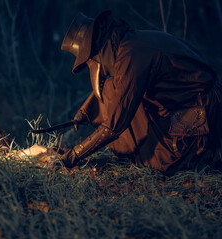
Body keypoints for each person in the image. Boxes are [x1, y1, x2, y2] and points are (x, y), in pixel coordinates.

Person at [57, 10, 222, 174]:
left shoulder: (132, 54)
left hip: (201, 110)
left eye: (90, 59)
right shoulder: (127, 44)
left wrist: (73, 155)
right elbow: (115, 86)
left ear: (97, 49)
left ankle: (207, 154)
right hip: (181, 106)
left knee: (158, 164)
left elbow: (114, 123)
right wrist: (85, 112)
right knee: (110, 89)